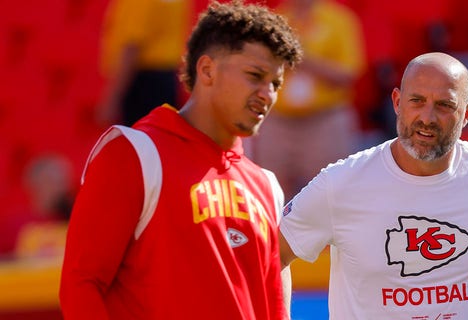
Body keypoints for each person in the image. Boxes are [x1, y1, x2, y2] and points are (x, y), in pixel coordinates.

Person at [278, 52, 468, 319]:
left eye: (444, 105)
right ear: (396, 102)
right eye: (416, 101)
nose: (427, 118)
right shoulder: (341, 184)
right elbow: (271, 256)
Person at [59, 1, 302, 319]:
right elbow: (81, 285)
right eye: (255, 75)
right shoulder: (133, 153)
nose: (267, 94)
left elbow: (275, 308)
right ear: (207, 70)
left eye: (275, 84)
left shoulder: (267, 187)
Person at [246, 0, 366, 202]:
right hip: (277, 121)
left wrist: (304, 61)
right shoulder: (276, 19)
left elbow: (348, 75)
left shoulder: (339, 20)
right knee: (273, 194)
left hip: (324, 121)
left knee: (330, 195)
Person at [96, 0, 190, 127]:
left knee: (138, 141)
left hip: (142, 82)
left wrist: (112, 99)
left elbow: (132, 46)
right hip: (167, 79)